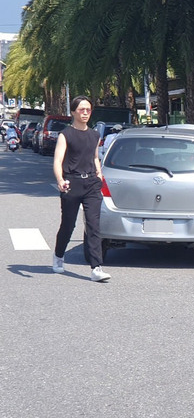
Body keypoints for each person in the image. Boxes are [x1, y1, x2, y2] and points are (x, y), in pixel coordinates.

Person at [52, 96, 111, 282]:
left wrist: (99, 174)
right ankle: (59, 255)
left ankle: (96, 268)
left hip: (91, 184)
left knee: (93, 225)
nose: (85, 113)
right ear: (73, 112)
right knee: (68, 224)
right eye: (81, 109)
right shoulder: (65, 134)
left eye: (88, 110)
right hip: (71, 183)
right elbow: (57, 161)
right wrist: (60, 179)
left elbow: (94, 157)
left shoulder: (94, 135)